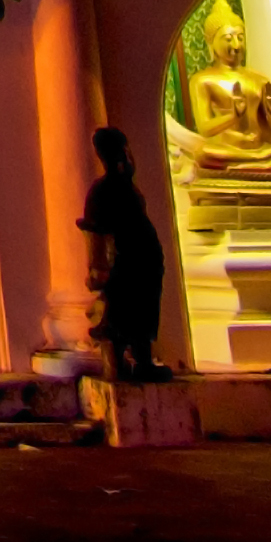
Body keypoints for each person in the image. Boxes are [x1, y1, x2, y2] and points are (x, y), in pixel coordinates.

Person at [78, 124, 174, 384]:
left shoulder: (125, 187)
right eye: (122, 151)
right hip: (124, 262)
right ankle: (122, 363)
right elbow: (94, 232)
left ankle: (143, 361)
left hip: (143, 261)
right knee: (121, 315)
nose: (128, 157)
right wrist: (96, 266)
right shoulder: (102, 191)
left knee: (142, 313)